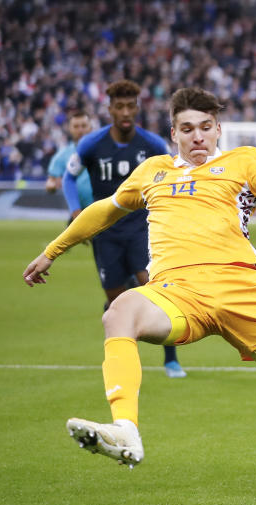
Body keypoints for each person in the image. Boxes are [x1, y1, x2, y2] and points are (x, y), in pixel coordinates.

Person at [23, 87, 256, 490]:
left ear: (218, 129)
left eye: (205, 127)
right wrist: (52, 251)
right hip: (177, 293)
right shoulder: (152, 172)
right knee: (119, 311)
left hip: (244, 292)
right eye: (187, 129)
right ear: (174, 133)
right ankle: (125, 429)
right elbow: (105, 209)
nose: (197, 136)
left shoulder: (244, 161)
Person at [63, 80, 186, 378]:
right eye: (119, 106)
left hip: (142, 228)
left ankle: (171, 360)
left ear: (138, 107)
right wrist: (76, 211)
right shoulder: (91, 144)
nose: (126, 112)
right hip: (105, 232)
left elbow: (175, 176)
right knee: (117, 300)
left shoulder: (153, 145)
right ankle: (124, 353)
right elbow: (69, 178)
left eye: (131, 105)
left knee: (155, 289)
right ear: (110, 110)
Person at [45, 110, 93, 214]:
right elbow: (51, 179)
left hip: (104, 212)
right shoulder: (62, 155)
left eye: (83, 126)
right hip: (78, 213)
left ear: (90, 127)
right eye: (76, 126)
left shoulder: (102, 149)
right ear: (70, 129)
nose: (80, 130)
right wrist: (51, 185)